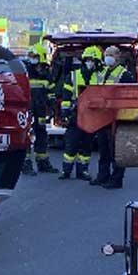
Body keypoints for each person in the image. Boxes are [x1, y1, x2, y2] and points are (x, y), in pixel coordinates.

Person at [91, 46, 136, 189]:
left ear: (118, 56)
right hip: (103, 117)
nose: (107, 58)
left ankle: (116, 180)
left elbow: (129, 97)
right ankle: (102, 176)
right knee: (103, 149)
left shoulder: (125, 75)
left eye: (110, 55)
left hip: (117, 118)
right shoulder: (102, 72)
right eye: (106, 55)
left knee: (116, 150)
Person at [58, 45, 103, 181]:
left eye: (93, 60)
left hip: (91, 116)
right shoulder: (73, 76)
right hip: (75, 115)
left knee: (87, 144)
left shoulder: (100, 77)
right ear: (83, 61)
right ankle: (66, 171)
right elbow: (66, 96)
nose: (90, 62)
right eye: (88, 60)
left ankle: (82, 171)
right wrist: (65, 113)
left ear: (97, 62)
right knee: (71, 143)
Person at [21, 41, 58, 175]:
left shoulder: (46, 74)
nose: (32, 59)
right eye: (31, 56)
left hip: (41, 110)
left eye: (35, 56)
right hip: (27, 109)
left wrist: (52, 106)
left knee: (42, 134)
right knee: (27, 135)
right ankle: (26, 164)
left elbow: (51, 92)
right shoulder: (25, 72)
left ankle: (42, 162)